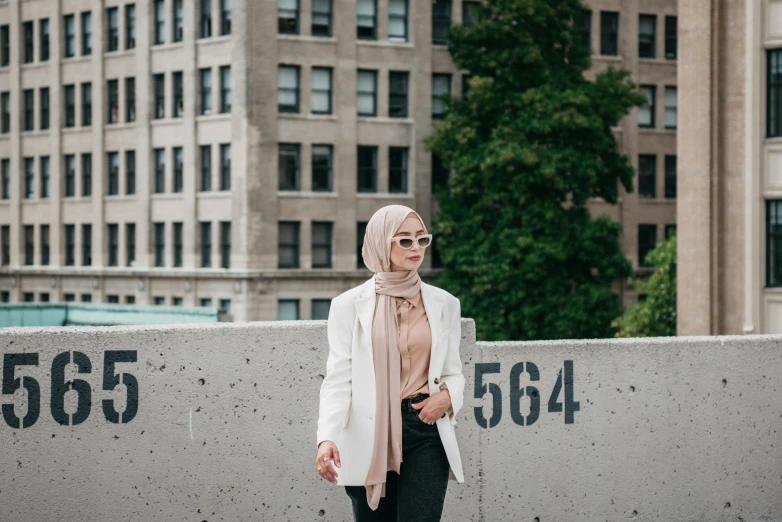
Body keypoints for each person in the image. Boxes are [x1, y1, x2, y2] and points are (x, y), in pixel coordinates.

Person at [316, 204, 466, 521]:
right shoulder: (347, 306)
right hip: (370, 432)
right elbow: (339, 379)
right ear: (382, 242)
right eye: (405, 240)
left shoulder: (445, 304)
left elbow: (454, 372)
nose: (416, 249)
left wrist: (448, 397)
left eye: (422, 240)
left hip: (426, 427)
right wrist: (327, 437)